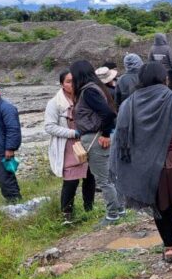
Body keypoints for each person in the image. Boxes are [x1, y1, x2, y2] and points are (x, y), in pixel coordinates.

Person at [111, 62, 172, 263]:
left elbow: (123, 140)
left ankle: (170, 248)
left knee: (161, 205)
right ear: (165, 79)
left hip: (152, 165)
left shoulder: (128, 105)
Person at [71, 60, 125, 225]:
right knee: (111, 176)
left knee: (103, 179)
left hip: (95, 138)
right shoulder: (97, 88)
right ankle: (120, 208)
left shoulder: (88, 92)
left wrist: (105, 134)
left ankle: (112, 214)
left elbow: (108, 113)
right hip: (98, 137)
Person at [45, 70, 96, 224]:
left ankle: (89, 209)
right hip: (67, 146)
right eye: (68, 81)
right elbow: (49, 127)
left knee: (90, 176)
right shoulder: (54, 103)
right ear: (62, 84)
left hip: (86, 143)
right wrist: (73, 132)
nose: (71, 84)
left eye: (74, 81)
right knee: (71, 180)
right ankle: (67, 214)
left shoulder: (84, 97)